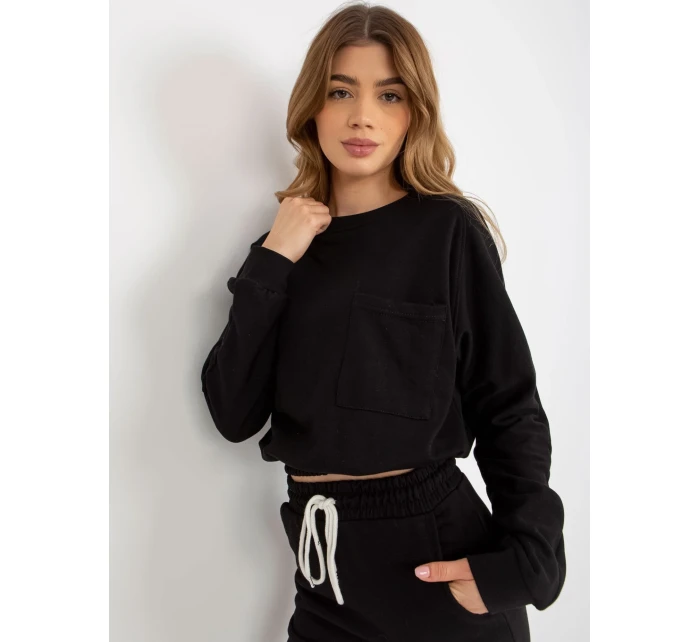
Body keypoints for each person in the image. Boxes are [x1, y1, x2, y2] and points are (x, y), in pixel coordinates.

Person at [200, 3, 566, 641]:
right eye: (341, 91)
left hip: (437, 568)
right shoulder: (280, 253)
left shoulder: (446, 231)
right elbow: (233, 414)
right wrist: (272, 260)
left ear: (413, 114)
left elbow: (508, 402)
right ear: (312, 107)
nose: (362, 116)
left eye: (389, 95)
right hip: (324, 579)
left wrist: (527, 562)